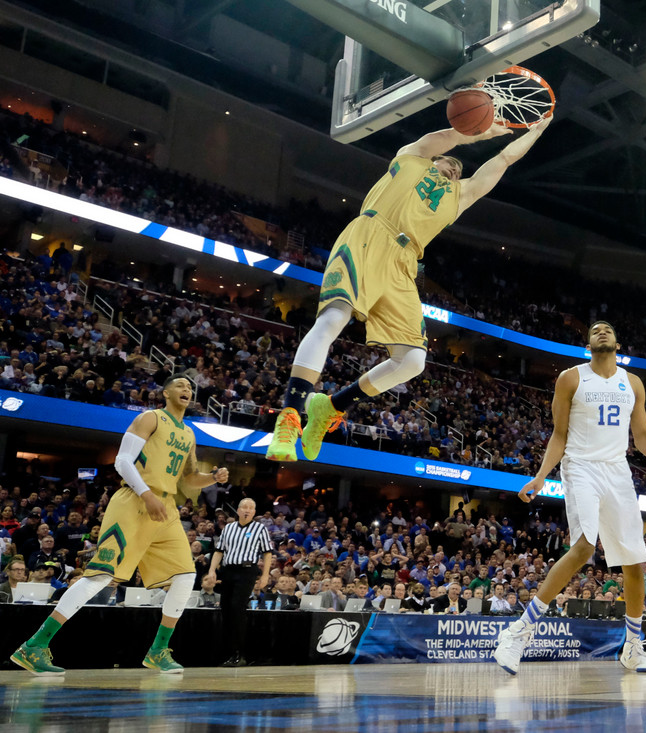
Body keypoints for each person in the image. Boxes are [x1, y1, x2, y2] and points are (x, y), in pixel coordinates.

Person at [266, 117, 553, 462]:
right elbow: (443, 137)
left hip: (404, 263)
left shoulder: (458, 197)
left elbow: (503, 161)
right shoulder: (412, 158)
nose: (453, 170)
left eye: (457, 172)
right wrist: (476, 132)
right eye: (449, 163)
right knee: (332, 320)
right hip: (369, 235)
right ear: (435, 161)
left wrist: (536, 133)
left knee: (413, 361)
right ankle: (289, 416)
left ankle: (329, 407)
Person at [493, 321, 646, 675]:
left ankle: (632, 647)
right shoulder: (571, 378)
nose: (601, 331)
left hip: (617, 471)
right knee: (584, 546)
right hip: (580, 466)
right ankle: (518, 633)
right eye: (595, 329)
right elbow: (559, 434)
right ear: (588, 343)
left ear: (617, 341)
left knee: (634, 561)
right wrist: (540, 476)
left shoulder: (632, 383)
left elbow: (642, 437)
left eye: (608, 329)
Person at [10, 375, 229, 676]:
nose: (186, 390)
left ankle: (157, 651)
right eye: (180, 385)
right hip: (134, 500)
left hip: (165, 507)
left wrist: (212, 478)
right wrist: (146, 493)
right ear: (165, 393)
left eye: (190, 388)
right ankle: (34, 646)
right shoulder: (150, 418)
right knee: (101, 577)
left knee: (185, 576)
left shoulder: (189, 434)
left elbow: (189, 478)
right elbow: (123, 461)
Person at [206, 498, 274, 667]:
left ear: (254, 512)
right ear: (238, 509)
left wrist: (265, 575)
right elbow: (219, 551)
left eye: (251, 508)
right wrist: (212, 570)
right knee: (226, 609)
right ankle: (228, 652)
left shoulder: (260, 529)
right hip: (228, 570)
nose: (247, 510)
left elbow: (267, 553)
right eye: (244, 506)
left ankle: (240, 653)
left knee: (237, 608)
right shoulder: (228, 528)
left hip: (247, 570)